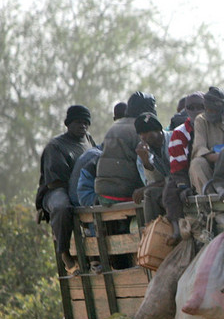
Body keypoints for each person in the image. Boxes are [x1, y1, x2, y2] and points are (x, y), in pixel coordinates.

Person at [36, 104, 96, 273]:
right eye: (78, 122)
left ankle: (96, 256)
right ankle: (64, 252)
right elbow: (56, 180)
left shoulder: (89, 140)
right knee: (63, 207)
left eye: (85, 122)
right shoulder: (56, 146)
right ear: (68, 124)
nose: (82, 125)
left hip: (83, 187)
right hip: (57, 189)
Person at [94, 91, 156, 205]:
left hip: (102, 192)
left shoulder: (114, 126)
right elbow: (147, 166)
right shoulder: (141, 129)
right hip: (125, 194)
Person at [162, 91, 205, 243]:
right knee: (170, 192)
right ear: (186, 110)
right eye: (191, 108)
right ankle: (177, 229)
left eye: (200, 107)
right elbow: (178, 165)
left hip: (210, 171)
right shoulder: (180, 133)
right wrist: (183, 185)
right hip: (186, 173)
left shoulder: (213, 127)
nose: (196, 111)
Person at [189, 86, 224, 193]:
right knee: (197, 163)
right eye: (207, 108)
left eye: (213, 110)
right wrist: (220, 158)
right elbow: (199, 148)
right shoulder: (201, 120)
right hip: (213, 164)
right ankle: (212, 202)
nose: (209, 111)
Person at [132, 112, 171, 223]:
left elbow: (178, 177)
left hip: (182, 187)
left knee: (148, 192)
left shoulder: (174, 139)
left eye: (147, 132)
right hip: (164, 193)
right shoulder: (142, 152)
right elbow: (150, 184)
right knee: (150, 193)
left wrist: (145, 189)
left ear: (158, 130)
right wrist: (146, 162)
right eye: (140, 133)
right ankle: (152, 232)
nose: (143, 137)